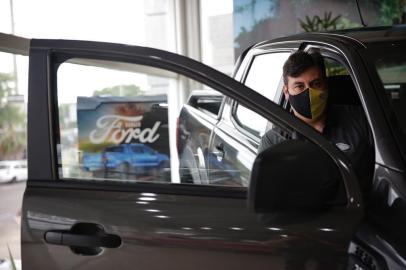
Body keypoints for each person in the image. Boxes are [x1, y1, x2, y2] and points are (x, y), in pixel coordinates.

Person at [259, 50, 374, 193]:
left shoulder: (360, 119)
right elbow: (269, 200)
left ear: (325, 86)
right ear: (286, 92)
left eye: (316, 83)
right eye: (299, 86)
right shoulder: (273, 142)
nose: (309, 92)